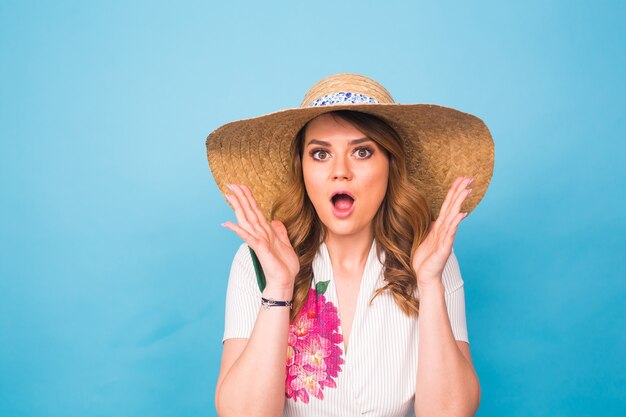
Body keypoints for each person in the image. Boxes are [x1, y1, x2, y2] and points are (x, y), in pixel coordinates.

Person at [205, 73, 494, 417]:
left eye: (361, 151)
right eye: (320, 154)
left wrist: (429, 283)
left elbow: (450, 413)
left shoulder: (432, 259)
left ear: (390, 165)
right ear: (302, 171)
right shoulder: (257, 262)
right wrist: (279, 289)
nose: (340, 172)